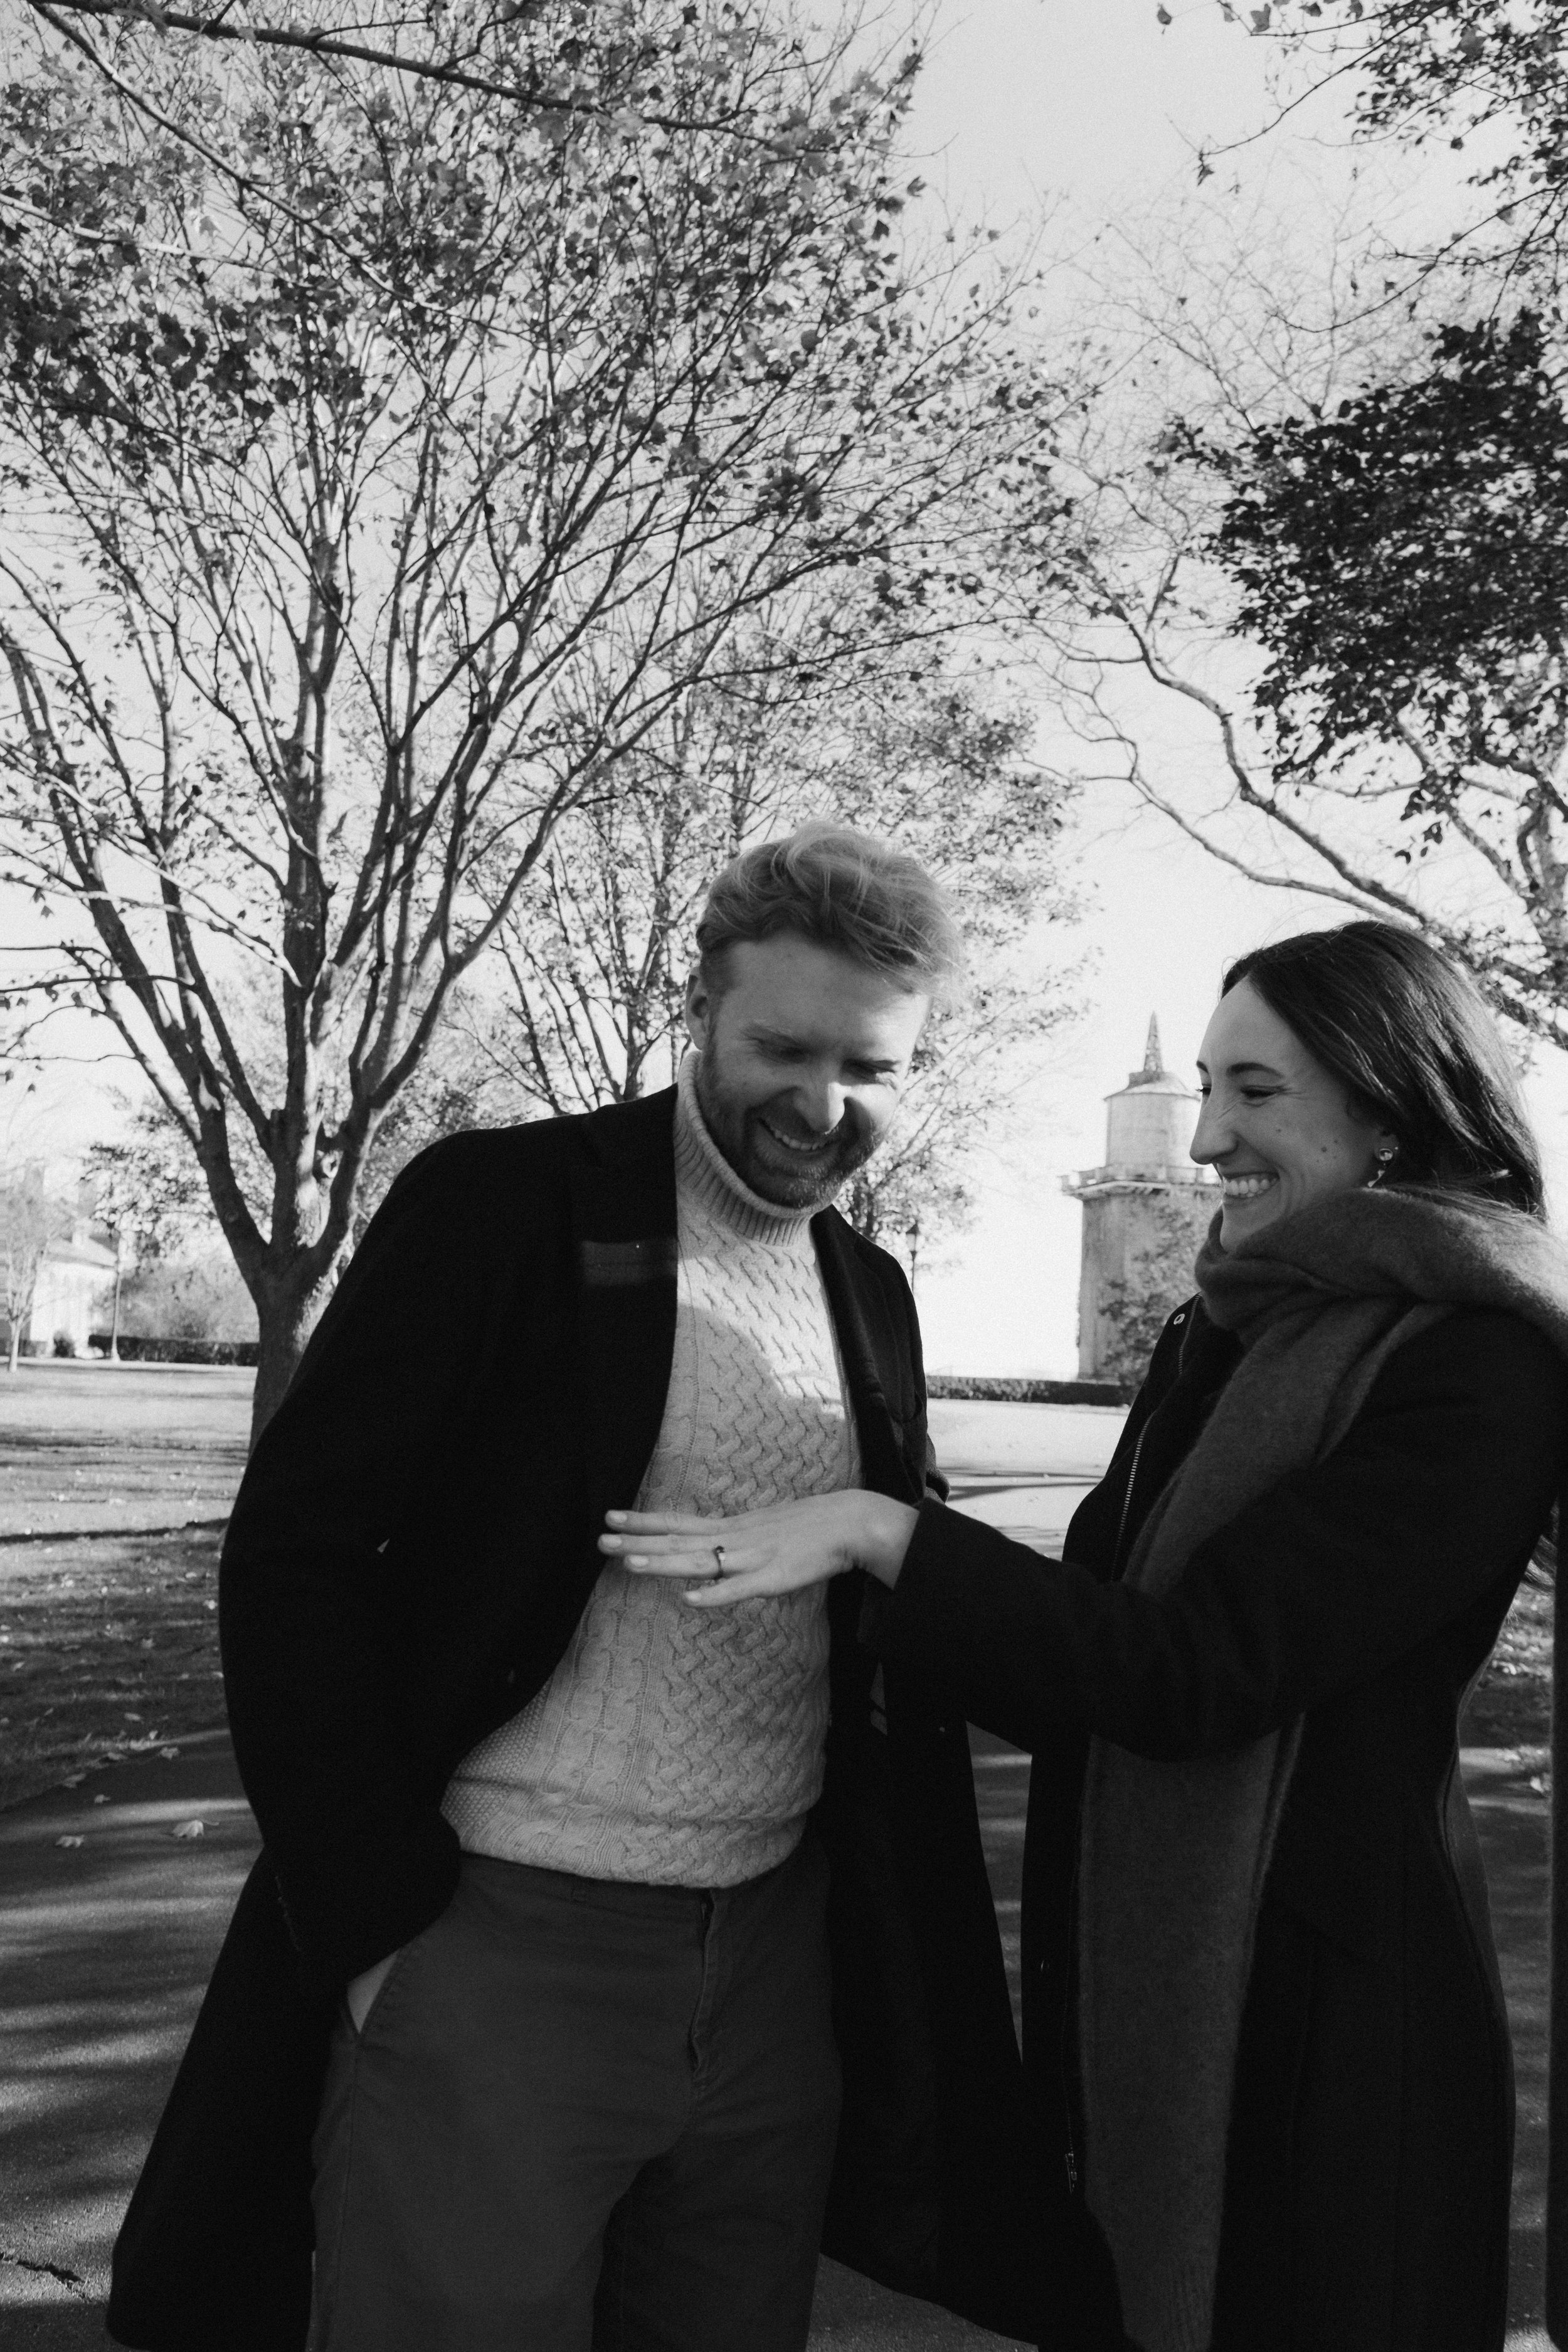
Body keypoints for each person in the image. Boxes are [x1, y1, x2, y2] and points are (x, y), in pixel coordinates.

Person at [105, 823, 1079, 2352]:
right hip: (497, 1935)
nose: (823, 1106)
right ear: (695, 1007)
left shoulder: (868, 1291)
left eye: (872, 1068)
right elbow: (296, 1553)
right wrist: (375, 1924)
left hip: (772, 1959)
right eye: (782, 1047)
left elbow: (885, 1601)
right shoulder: (507, 1204)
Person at [607, 919, 1568, 2352]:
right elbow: (1097, 1651)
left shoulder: (1478, 1360)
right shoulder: (1224, 1333)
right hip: (1134, 1983)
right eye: (1198, 1090)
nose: (1197, 1144)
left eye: (1254, 1094)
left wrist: (889, 1536)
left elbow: (1198, 1671)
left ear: (1386, 1108)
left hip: (1330, 2035)